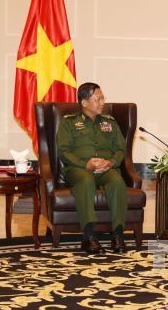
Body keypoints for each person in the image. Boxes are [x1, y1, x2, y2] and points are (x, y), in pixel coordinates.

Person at [57, 82, 127, 254]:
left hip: (105, 168)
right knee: (86, 180)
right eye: (98, 99)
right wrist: (85, 164)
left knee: (117, 181)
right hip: (78, 169)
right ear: (84, 102)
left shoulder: (110, 122)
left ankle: (117, 235)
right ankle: (88, 237)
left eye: (103, 98)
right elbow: (63, 151)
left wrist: (111, 162)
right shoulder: (69, 123)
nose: (102, 102)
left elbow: (121, 149)